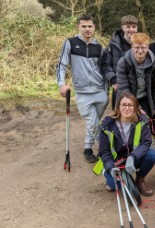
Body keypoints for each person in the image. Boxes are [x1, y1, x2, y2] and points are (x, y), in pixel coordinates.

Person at [56, 14, 108, 163]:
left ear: (94, 27)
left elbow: (104, 70)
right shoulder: (70, 43)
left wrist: (106, 92)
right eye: (84, 26)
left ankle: (87, 148)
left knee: (95, 122)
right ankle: (106, 148)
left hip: (100, 92)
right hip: (82, 93)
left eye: (90, 26)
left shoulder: (99, 47)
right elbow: (61, 65)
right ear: (78, 27)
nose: (87, 29)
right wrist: (61, 84)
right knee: (92, 122)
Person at [98, 92, 155, 196]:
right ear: (118, 107)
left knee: (151, 155)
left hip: (132, 159)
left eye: (130, 105)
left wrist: (133, 156)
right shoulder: (107, 125)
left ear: (135, 107)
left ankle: (140, 179)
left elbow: (146, 142)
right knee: (120, 186)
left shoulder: (142, 121)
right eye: (124, 105)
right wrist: (110, 167)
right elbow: (104, 152)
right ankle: (108, 174)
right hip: (115, 162)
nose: (127, 108)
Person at [116, 33, 155, 118]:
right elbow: (123, 89)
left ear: (147, 47)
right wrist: (137, 108)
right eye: (136, 47)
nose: (140, 51)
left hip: (145, 98)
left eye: (143, 47)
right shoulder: (123, 63)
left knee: (145, 125)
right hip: (127, 98)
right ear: (132, 47)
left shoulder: (154, 64)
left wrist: (154, 106)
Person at [101, 15, 138, 110]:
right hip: (119, 87)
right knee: (120, 117)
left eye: (134, 27)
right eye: (128, 27)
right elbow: (105, 65)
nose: (131, 29)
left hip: (138, 88)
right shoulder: (113, 45)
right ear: (122, 27)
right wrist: (113, 80)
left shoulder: (141, 44)